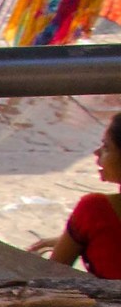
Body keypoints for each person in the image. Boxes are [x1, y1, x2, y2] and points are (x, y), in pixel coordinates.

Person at [32, 112, 121, 279]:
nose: (97, 152)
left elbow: (51, 279)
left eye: (107, 147)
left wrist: (74, 240)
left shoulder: (95, 211)